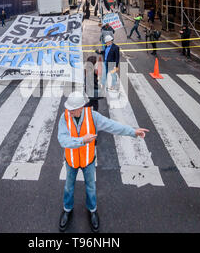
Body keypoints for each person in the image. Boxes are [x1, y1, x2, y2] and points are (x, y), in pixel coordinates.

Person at [58, 91, 149, 232]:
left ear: (81, 107)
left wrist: (133, 131)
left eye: (72, 109)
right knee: (69, 187)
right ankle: (67, 210)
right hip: (71, 160)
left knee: (91, 187)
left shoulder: (93, 116)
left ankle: (92, 211)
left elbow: (112, 126)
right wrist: (82, 140)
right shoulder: (64, 118)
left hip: (88, 160)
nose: (69, 111)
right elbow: (62, 140)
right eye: (68, 108)